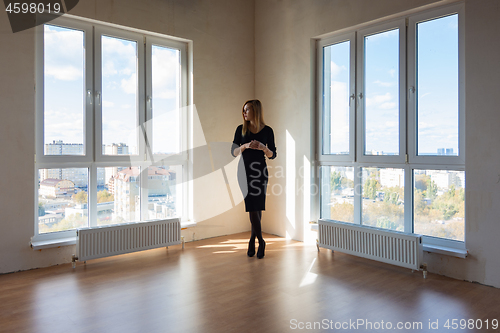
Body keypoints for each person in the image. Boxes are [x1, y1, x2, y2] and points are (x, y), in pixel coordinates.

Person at [231, 100, 277, 259]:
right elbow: (234, 152)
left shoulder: (268, 131)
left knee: (256, 207)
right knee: (251, 207)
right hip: (243, 172)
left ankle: (252, 239)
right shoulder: (240, 129)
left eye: (247, 110)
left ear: (255, 110)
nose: (244, 113)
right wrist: (245, 146)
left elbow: (272, 154)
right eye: (243, 110)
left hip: (260, 172)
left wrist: (263, 148)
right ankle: (261, 241)